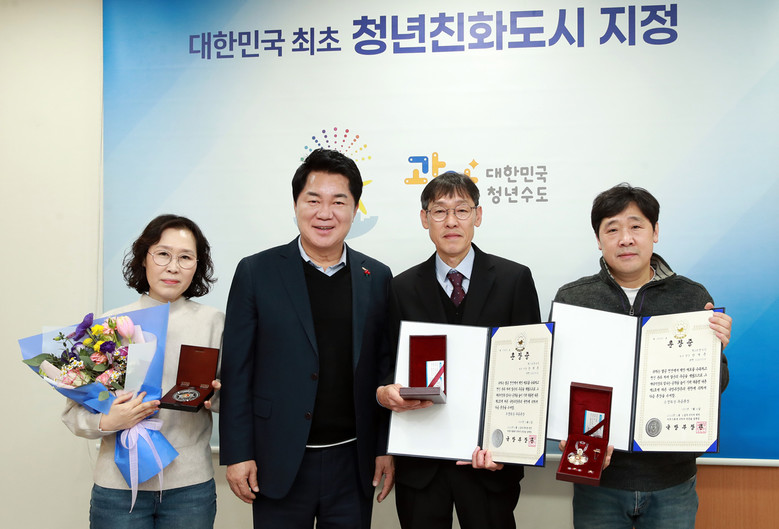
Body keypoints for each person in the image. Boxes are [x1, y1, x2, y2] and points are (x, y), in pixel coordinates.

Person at [219, 148, 394, 529]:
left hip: (353, 463)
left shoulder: (377, 277)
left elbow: (384, 366)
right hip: (276, 460)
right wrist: (237, 453)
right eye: (313, 200)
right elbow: (236, 370)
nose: (324, 213)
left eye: (338, 202)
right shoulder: (256, 272)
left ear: (355, 209)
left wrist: (385, 447)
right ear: (296, 204)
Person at [553, 183, 732, 529]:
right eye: (612, 229)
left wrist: (714, 351)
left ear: (655, 232)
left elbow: (718, 385)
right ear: (598, 238)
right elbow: (558, 385)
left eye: (636, 226)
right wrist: (564, 426)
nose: (625, 239)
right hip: (600, 479)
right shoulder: (574, 299)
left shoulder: (691, 297)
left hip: (672, 480)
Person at [376, 171, 541, 529]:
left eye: (461, 210)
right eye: (439, 211)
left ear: (477, 216)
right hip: (421, 462)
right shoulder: (401, 287)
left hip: (488, 461)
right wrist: (385, 391)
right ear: (425, 219)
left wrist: (511, 450)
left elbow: (532, 374)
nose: (451, 221)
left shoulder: (514, 280)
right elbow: (387, 363)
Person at [62, 214, 224, 529]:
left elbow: (236, 399)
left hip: (190, 486)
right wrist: (108, 421)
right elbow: (72, 413)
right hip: (118, 488)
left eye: (185, 257)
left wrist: (215, 397)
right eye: (163, 254)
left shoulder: (214, 323)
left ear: (198, 265)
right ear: (143, 258)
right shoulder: (110, 324)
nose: (173, 267)